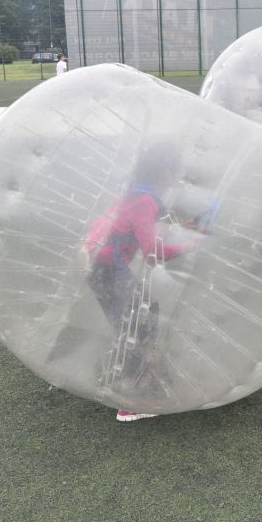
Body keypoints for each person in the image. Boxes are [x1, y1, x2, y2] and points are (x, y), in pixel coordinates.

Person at [84, 143, 199, 421]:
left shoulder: (133, 192)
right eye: (175, 170)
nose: (177, 176)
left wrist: (182, 226)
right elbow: (151, 253)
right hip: (110, 272)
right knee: (139, 323)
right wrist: (189, 245)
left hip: (99, 270)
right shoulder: (145, 200)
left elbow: (128, 229)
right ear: (165, 172)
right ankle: (132, 400)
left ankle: (128, 376)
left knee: (138, 315)